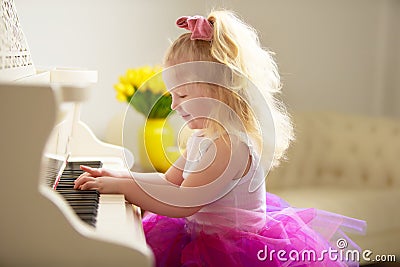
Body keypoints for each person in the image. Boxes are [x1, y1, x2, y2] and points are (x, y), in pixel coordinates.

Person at [74, 10, 366, 266]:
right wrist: (122, 176)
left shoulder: (229, 144)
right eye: (172, 95)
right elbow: (170, 181)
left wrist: (121, 188)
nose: (174, 106)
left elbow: (183, 202)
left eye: (183, 95)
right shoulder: (203, 136)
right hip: (200, 235)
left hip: (235, 250)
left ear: (219, 90)